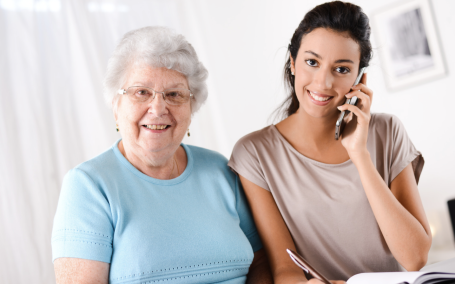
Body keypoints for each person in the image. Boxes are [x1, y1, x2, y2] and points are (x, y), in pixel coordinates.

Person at [228, 2, 432, 283]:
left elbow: (414, 258)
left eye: (342, 69)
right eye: (312, 62)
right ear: (292, 62)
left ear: (360, 77)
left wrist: (359, 154)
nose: (323, 82)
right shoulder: (255, 153)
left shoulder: (387, 131)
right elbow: (284, 268)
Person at [52, 26, 271, 284]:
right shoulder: (88, 186)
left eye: (174, 94)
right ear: (116, 105)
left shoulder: (220, 170)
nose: (158, 108)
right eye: (141, 92)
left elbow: (261, 262)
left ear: (192, 107)